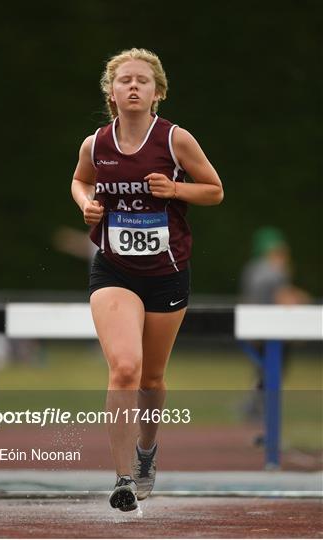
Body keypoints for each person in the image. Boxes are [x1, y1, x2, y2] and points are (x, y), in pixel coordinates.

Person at [71, 48, 223, 511]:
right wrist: (87, 204)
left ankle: (145, 452)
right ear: (111, 92)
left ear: (157, 93)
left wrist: (175, 189)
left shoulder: (175, 140)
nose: (133, 87)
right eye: (124, 81)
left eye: (142, 81)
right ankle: (121, 479)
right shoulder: (95, 144)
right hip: (114, 270)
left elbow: (214, 190)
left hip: (166, 273)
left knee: (152, 377)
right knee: (124, 368)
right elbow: (80, 181)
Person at [240, 227, 311, 425]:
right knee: (272, 372)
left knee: (262, 371)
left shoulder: (252, 268)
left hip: (252, 328)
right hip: (271, 330)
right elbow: (284, 298)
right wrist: (301, 299)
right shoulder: (274, 269)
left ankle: (254, 407)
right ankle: (259, 411)